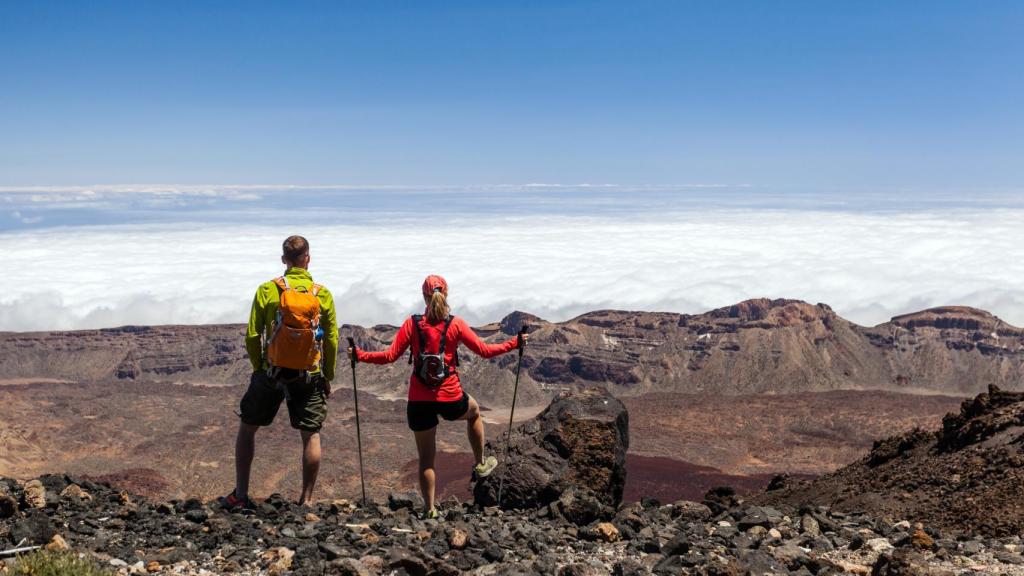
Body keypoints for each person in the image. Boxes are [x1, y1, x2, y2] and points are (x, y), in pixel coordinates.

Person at [348, 274, 525, 519]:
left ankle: (430, 509)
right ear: (447, 295)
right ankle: (481, 463)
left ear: (423, 296)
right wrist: (514, 343)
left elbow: (389, 356)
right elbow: (485, 351)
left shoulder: (412, 324)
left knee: (426, 460)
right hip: (450, 397)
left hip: (419, 401)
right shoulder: (456, 324)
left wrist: (359, 354)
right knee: (473, 412)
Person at [220, 235, 339, 509]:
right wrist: (327, 375)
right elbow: (331, 339)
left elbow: (252, 335)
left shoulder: (266, 290)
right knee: (311, 433)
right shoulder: (322, 294)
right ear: (308, 258)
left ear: (284, 259)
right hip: (308, 375)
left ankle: (240, 494)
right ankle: (306, 501)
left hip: (271, 372)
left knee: (248, 428)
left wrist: (259, 368)